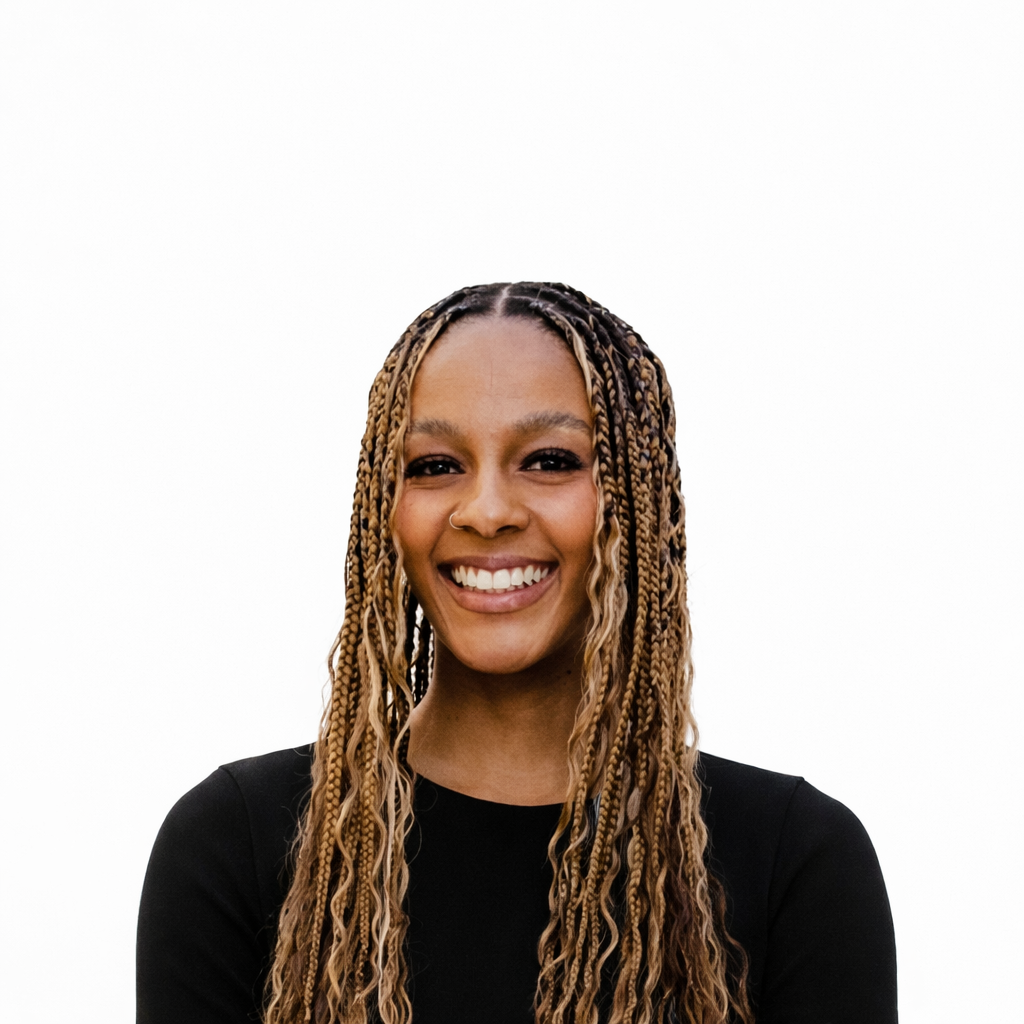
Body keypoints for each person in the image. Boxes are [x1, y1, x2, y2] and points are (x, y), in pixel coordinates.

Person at [137, 282, 897, 1024]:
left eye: (550, 460)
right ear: (384, 509)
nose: (487, 511)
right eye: (435, 466)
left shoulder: (796, 861)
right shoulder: (233, 845)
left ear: (636, 497)